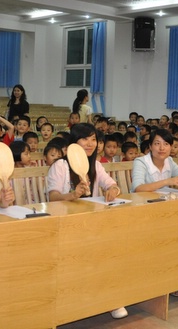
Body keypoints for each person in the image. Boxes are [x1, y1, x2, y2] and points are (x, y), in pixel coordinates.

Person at [45, 123, 126, 319]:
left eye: (93, 139)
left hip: (92, 222)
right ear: (74, 142)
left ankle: (110, 299)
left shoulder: (95, 165)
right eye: (84, 139)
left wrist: (113, 190)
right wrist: (73, 195)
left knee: (114, 249)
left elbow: (112, 184)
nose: (90, 144)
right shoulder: (61, 166)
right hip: (64, 225)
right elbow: (52, 197)